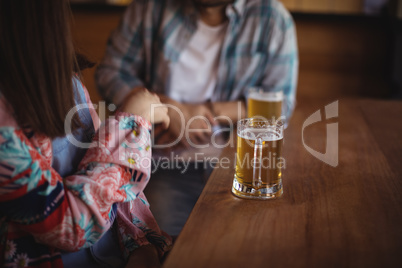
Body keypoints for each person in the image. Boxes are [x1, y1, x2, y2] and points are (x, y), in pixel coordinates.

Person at [96, 0, 298, 236]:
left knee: (251, 242)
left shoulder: (273, 19)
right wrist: (167, 109)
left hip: (238, 166)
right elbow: (111, 71)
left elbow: (281, 105)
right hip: (163, 164)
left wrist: (206, 112)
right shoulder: (149, 8)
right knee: (156, 243)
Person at [0, 0, 171, 267]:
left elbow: (105, 171)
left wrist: (141, 243)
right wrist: (130, 126)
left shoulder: (65, 80)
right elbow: (71, 226)